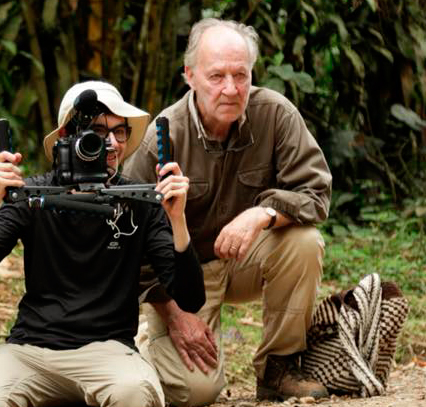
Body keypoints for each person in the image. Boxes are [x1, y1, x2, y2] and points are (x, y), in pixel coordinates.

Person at [0, 81, 206, 407]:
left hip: (108, 350)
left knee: (134, 392)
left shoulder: (140, 201)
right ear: (68, 137)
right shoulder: (33, 195)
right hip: (32, 350)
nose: (109, 143)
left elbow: (191, 297)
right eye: (97, 132)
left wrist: (177, 220)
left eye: (119, 132)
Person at [122, 19, 333, 405]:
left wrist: (262, 214)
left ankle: (279, 368)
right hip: (183, 279)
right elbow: (129, 238)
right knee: (196, 392)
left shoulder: (276, 115)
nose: (231, 89)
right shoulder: (162, 137)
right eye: (217, 76)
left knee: (304, 241)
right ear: (190, 76)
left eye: (241, 75)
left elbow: (315, 193)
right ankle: (136, 351)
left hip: (245, 258)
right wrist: (172, 314)